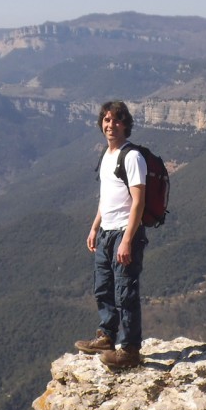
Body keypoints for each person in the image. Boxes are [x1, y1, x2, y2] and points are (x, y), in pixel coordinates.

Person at [74, 100, 148, 369]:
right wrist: (95, 227)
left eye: (116, 120)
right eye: (106, 120)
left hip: (124, 233)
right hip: (106, 232)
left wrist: (127, 239)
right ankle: (107, 336)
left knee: (125, 292)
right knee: (103, 288)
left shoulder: (132, 157)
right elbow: (106, 199)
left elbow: (138, 202)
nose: (110, 125)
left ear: (125, 124)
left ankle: (129, 350)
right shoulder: (106, 155)